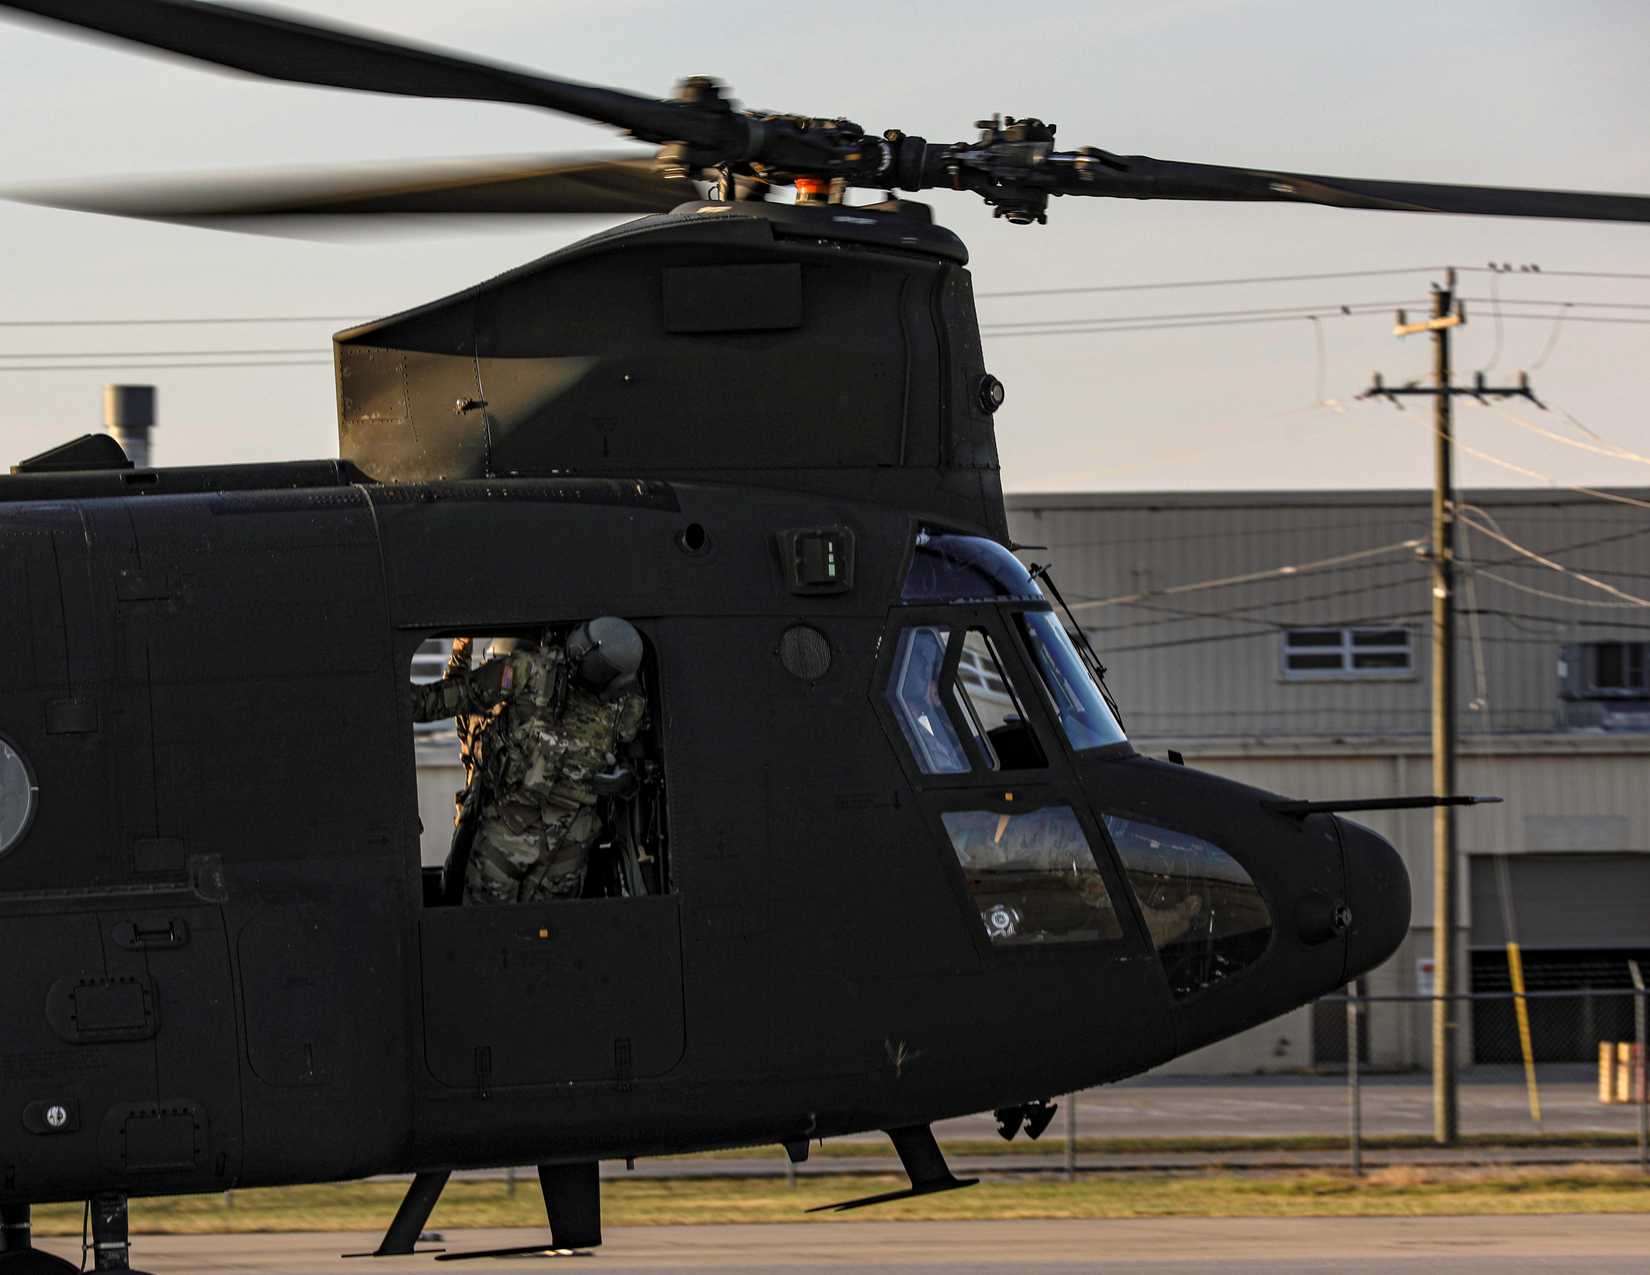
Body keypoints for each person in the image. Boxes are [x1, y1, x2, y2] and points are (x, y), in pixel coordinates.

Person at [413, 618, 647, 904]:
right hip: (549, 837)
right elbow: (445, 699)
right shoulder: (621, 703)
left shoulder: (531, 672)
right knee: (528, 923)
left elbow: (441, 700)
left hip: (534, 837)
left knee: (492, 920)